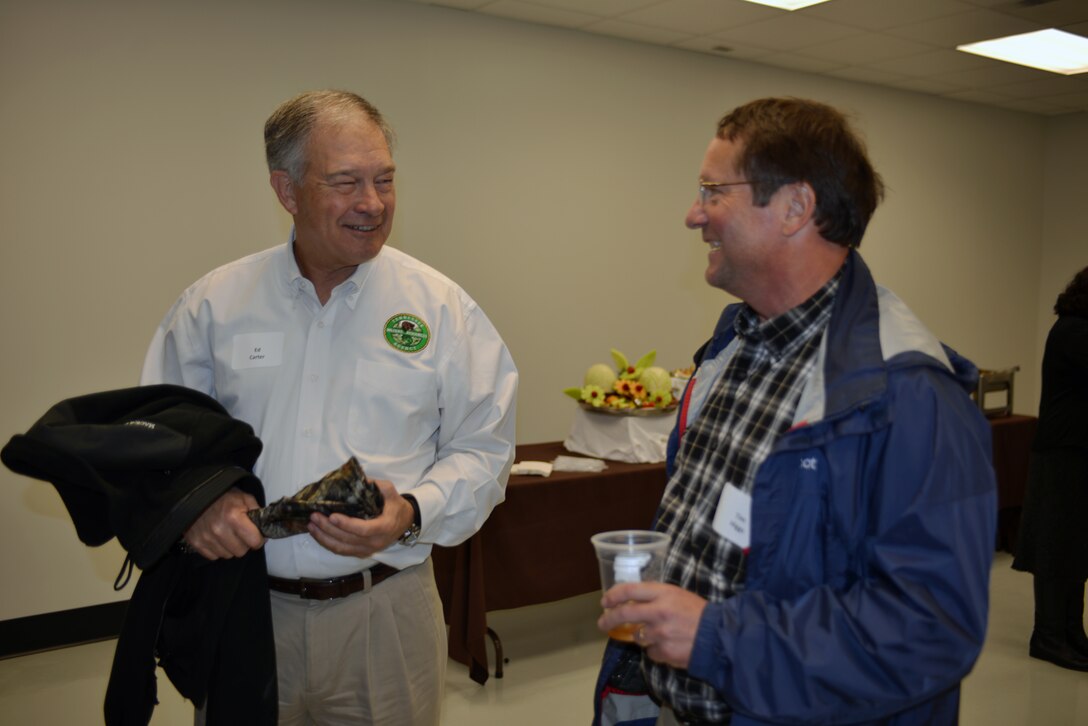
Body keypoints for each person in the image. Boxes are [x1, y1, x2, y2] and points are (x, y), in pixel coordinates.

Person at [596, 98, 996, 725]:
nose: (693, 214)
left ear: (794, 208)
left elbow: (930, 630)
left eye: (712, 191)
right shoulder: (733, 346)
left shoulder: (909, 398)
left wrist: (717, 638)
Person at [141, 89, 518, 725]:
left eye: (384, 180)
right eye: (345, 182)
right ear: (286, 191)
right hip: (245, 611)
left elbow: (483, 448)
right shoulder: (214, 306)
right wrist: (198, 505)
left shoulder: (441, 309)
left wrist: (411, 512)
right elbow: (163, 442)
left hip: (386, 614)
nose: (372, 204)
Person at [1013, 266, 1088, 671]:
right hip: (1061, 453)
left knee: (1076, 546)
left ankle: (1072, 632)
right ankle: (1047, 636)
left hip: (1076, 451)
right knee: (1055, 545)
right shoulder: (1074, 331)